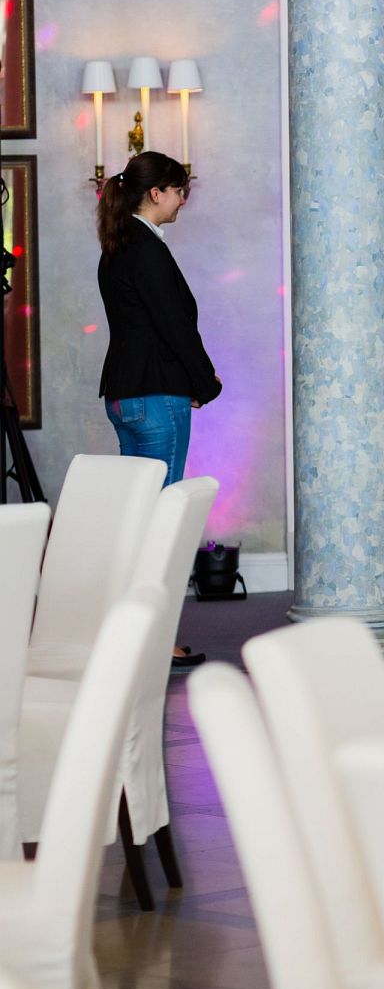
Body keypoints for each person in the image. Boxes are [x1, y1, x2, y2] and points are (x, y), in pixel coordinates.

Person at [96, 150, 222, 667]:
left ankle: (131, 630)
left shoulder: (119, 245)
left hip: (126, 396)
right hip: (154, 399)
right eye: (177, 191)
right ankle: (152, 639)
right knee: (161, 525)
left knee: (139, 519)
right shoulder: (145, 249)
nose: (182, 200)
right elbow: (174, 325)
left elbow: (150, 328)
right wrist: (204, 381)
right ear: (155, 193)